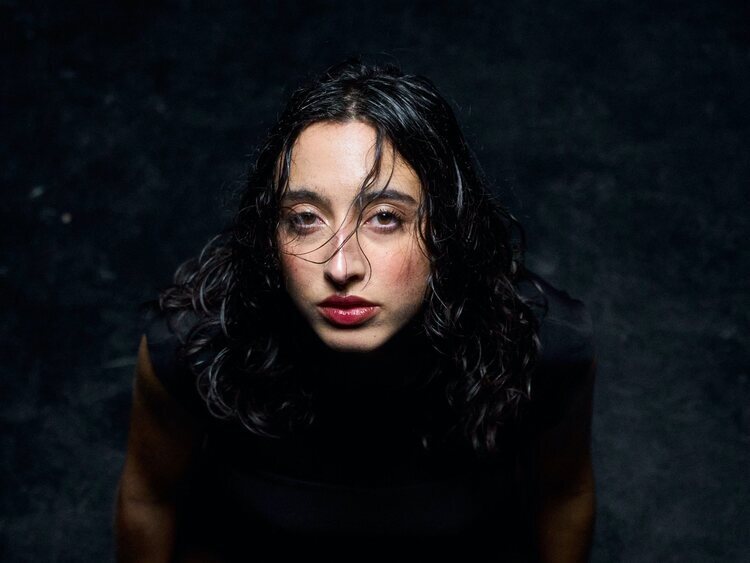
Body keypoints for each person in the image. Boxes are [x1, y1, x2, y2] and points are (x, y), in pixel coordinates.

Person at [114, 57, 597, 562]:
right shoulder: (194, 344)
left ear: (447, 230)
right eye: (305, 219)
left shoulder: (541, 345)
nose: (341, 266)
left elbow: (564, 496)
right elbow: (148, 498)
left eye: (385, 218)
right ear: (270, 236)